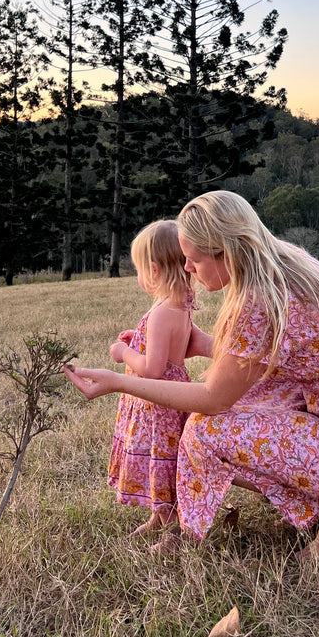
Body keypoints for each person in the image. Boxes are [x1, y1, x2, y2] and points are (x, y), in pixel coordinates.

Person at [64, 191, 319, 559]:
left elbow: (214, 398)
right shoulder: (282, 261)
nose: (187, 269)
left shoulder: (257, 301)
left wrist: (119, 381)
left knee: (203, 430)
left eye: (194, 260)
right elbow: (275, 355)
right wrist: (206, 343)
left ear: (227, 252)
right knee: (248, 402)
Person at [104, 219, 195, 536]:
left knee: (162, 459)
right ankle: (159, 517)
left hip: (157, 404)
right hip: (173, 395)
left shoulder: (160, 313)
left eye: (139, 269)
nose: (139, 276)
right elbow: (171, 350)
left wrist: (124, 353)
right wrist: (139, 340)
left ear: (154, 270)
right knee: (167, 460)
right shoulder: (181, 304)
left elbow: (153, 370)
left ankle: (173, 531)